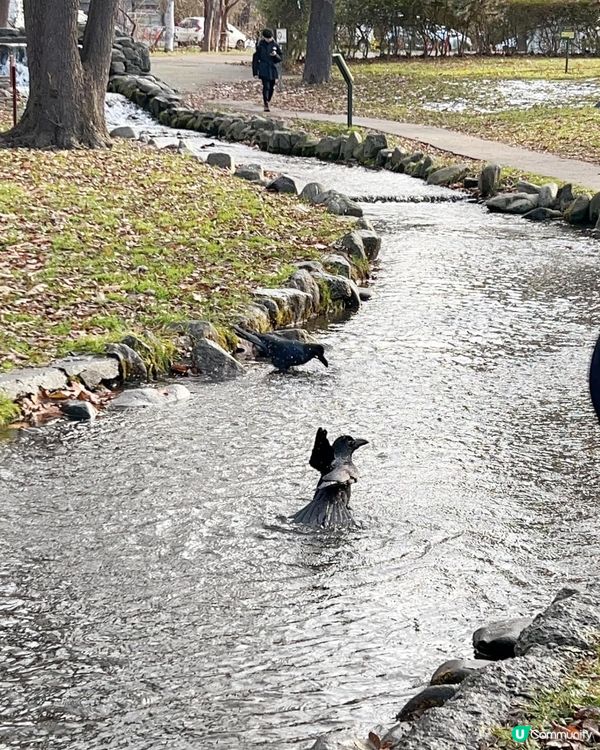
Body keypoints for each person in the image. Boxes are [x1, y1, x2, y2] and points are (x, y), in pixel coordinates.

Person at [252, 29, 282, 113]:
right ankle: (266, 103)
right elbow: (255, 59)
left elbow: (280, 58)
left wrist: (275, 55)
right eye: (267, 38)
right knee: (266, 86)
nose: (269, 40)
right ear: (264, 38)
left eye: (270, 38)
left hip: (272, 68)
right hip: (263, 68)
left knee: (272, 87)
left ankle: (268, 99)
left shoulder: (275, 44)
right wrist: (255, 72)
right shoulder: (260, 45)